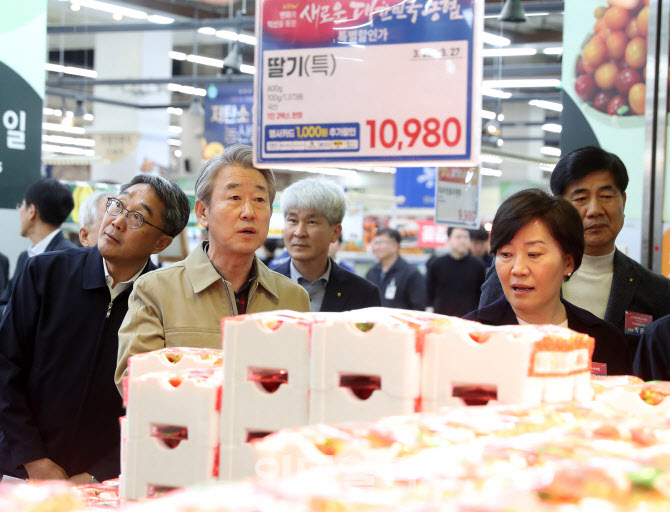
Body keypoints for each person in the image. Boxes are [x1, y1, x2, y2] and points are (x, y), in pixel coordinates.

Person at [0, 174, 190, 483]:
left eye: (137, 217)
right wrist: (34, 460)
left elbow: (163, 408)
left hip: (108, 483)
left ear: (162, 242)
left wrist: (98, 474)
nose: (116, 221)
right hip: (20, 471)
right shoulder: (45, 274)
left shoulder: (166, 302)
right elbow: (6, 368)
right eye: (117, 206)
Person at [115, 144, 310, 388]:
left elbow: (302, 385)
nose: (249, 212)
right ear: (203, 212)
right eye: (235, 197)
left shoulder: (293, 299)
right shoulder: (155, 290)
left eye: (260, 200)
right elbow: (134, 383)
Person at [478, 147, 670, 362]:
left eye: (606, 196)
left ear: (623, 201)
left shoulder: (656, 290)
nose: (595, 210)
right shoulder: (512, 275)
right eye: (580, 198)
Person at [464, 189, 630, 375]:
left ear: (568, 262)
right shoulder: (468, 335)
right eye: (506, 254)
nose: (518, 269)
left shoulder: (604, 340)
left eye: (533, 254)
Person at [273, 177, 381, 312]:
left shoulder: (363, 294)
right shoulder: (262, 287)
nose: (299, 233)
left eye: (311, 222)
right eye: (293, 220)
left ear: (335, 232)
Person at [0, 179, 77, 307]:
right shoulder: (25, 256)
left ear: (31, 211)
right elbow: (6, 301)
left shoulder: (69, 258)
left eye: (21, 205)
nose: (20, 211)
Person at [426, 227, 486, 316]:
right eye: (458, 237)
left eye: (465, 237)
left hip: (469, 318)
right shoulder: (436, 264)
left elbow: (481, 294)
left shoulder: (478, 265)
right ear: (449, 240)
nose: (462, 241)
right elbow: (429, 291)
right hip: (441, 317)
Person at [365, 228, 426, 311]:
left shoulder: (411, 274)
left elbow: (418, 307)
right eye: (375, 243)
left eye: (381, 242)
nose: (377, 247)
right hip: (375, 323)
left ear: (395, 245)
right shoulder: (372, 272)